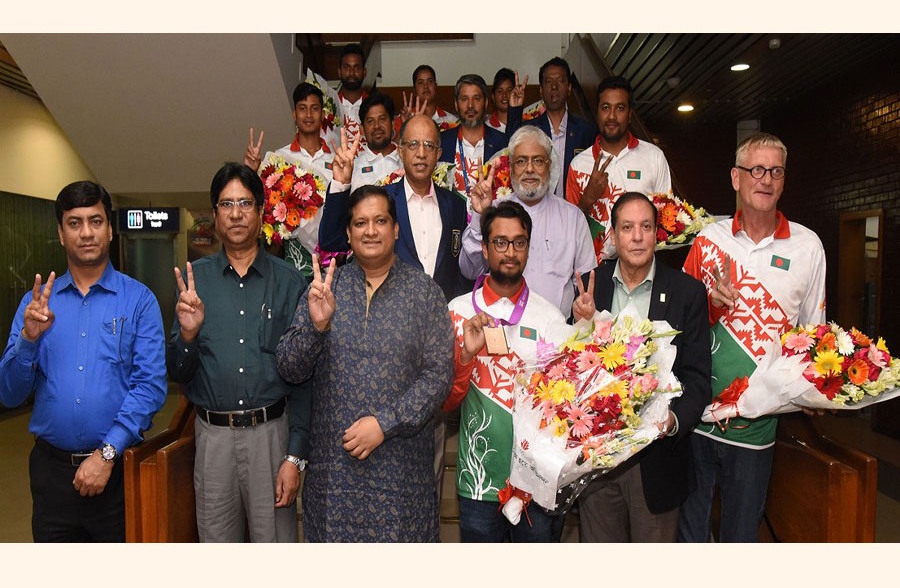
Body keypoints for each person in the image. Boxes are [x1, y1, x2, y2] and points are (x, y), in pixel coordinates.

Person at [276, 185, 454, 542]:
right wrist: (317, 327)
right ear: (348, 233)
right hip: (334, 478)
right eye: (360, 223)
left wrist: (384, 424)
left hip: (401, 476)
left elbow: (438, 377)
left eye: (380, 221)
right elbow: (289, 367)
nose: (370, 231)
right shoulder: (327, 289)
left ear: (396, 229)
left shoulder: (424, 293)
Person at [677, 132, 827, 543]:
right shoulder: (709, 240)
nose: (766, 179)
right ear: (735, 178)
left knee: (740, 538)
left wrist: (819, 387)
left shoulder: (808, 246)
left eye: (776, 171)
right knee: (689, 536)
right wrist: (710, 303)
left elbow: (814, 334)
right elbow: (676, 329)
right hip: (697, 418)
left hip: (758, 425)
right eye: (756, 170)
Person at [0, 180, 167, 542]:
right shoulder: (37, 305)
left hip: (117, 470)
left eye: (95, 221)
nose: (86, 232)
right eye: (75, 223)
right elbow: (9, 395)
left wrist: (106, 454)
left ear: (110, 229)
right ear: (61, 234)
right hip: (51, 476)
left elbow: (150, 387)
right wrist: (28, 338)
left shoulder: (139, 301)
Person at [166, 162, 309, 542]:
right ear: (214, 215)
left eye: (245, 203)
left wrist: (294, 455)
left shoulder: (290, 282)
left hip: (271, 438)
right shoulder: (195, 280)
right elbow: (177, 371)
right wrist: (188, 334)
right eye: (226, 204)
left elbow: (306, 378)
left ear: (262, 212)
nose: (235, 213)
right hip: (213, 440)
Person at [572, 192, 711, 542]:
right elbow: (571, 370)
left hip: (657, 462)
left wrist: (674, 420)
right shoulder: (592, 287)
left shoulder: (687, 292)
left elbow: (697, 378)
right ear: (613, 237)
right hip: (598, 464)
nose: (637, 236)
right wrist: (580, 325)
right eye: (628, 227)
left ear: (656, 235)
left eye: (646, 227)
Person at [444, 200, 574, 542]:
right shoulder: (456, 312)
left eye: (519, 242)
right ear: (485, 249)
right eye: (500, 242)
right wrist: (465, 357)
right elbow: (445, 403)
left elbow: (566, 408)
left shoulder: (550, 318)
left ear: (529, 248)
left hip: (537, 482)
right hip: (479, 480)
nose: (510, 251)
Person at [319, 114, 471, 302]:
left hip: (440, 320)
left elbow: (460, 270)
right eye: (413, 144)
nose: (421, 153)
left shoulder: (455, 205)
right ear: (400, 151)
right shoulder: (380, 200)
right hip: (388, 318)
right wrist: (341, 184)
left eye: (429, 145)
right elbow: (332, 242)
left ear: (438, 154)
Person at [461, 125, 595, 318]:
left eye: (538, 161)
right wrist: (479, 215)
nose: (530, 169)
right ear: (511, 167)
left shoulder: (572, 218)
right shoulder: (494, 211)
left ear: (549, 165)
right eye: (521, 161)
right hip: (500, 331)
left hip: (554, 334)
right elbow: (469, 271)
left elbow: (585, 287)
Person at [565, 75, 673, 262]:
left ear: (630, 114)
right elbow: (567, 232)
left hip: (642, 270)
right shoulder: (578, 164)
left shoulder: (654, 157)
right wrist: (588, 199)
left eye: (620, 108)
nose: (612, 116)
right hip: (593, 272)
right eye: (605, 108)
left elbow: (666, 223)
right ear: (597, 112)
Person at [243, 82, 335, 275]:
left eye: (314, 109)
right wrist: (252, 171)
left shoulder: (336, 159)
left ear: (323, 114)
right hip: (289, 257)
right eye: (302, 109)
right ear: (294, 114)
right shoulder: (280, 159)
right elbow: (260, 204)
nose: (308, 115)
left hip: (331, 259)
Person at [506, 57, 596, 198]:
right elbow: (510, 151)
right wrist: (515, 110)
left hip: (574, 211)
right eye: (548, 82)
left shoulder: (586, 131)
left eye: (560, 81)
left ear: (569, 88)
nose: (554, 87)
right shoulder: (531, 129)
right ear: (541, 90)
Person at [439, 74, 511, 200]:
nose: (470, 105)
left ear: (486, 103)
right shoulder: (442, 142)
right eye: (464, 99)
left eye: (476, 98)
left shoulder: (502, 143)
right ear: (456, 104)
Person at [350, 91, 402, 189]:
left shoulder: (407, 160)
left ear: (393, 124)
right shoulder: (353, 168)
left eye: (382, 119)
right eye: (370, 121)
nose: (377, 126)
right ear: (362, 129)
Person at [397, 64, 459, 132]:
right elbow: (394, 142)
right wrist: (405, 126)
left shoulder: (452, 121)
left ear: (435, 86)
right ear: (414, 90)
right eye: (421, 82)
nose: (426, 86)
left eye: (430, 81)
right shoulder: (403, 119)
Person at [336, 43, 368, 146]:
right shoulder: (330, 106)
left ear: (364, 72)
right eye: (347, 67)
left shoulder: (373, 106)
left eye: (357, 68)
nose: (352, 73)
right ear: (339, 72)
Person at [486, 67, 515, 132]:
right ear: (493, 96)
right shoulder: (486, 128)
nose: (504, 95)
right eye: (499, 91)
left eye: (509, 90)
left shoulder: (525, 125)